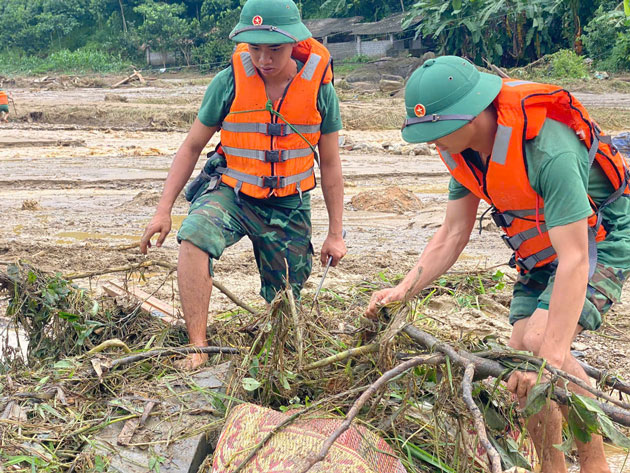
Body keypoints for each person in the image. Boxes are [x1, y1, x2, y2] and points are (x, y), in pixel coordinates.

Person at [366, 56, 630, 473]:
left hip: (598, 236)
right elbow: (453, 233)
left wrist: (551, 356)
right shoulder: (463, 152)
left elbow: (576, 257)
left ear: (473, 112)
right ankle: (551, 467)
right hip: (540, 248)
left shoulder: (548, 149)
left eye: (438, 132)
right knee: (521, 352)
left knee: (542, 349)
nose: (434, 144)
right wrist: (403, 289)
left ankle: (596, 465)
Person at [140, 0, 346, 370]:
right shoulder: (229, 81)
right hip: (232, 192)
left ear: (295, 43)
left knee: (286, 297)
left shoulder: (320, 90)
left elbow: (330, 164)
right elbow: (190, 147)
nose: (264, 59)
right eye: (255, 48)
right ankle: (198, 347)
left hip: (289, 203)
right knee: (195, 236)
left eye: (275, 49)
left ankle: (275, 351)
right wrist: (163, 210)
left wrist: (336, 233)